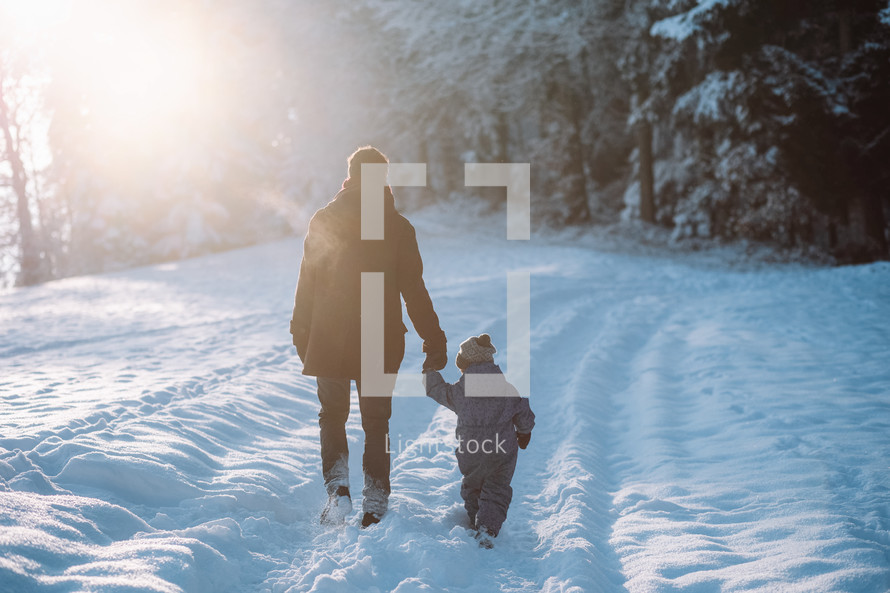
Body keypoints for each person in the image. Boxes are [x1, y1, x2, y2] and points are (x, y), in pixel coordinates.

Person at [290, 146, 447, 528]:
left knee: (332, 415)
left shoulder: (324, 219)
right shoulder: (397, 226)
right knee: (376, 421)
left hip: (328, 334)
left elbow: (308, 280)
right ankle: (375, 499)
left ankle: (338, 489)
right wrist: (434, 339)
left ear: (350, 176)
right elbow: (414, 289)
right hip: (379, 334)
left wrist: (301, 331)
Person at [422, 333, 535, 548]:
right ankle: (487, 527)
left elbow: (436, 390)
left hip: (471, 450)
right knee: (497, 487)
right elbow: (523, 413)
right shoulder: (507, 390)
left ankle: (476, 519)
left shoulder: (459, 391)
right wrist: (524, 432)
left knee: (473, 485)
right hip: (501, 450)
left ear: (465, 366)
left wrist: (429, 372)